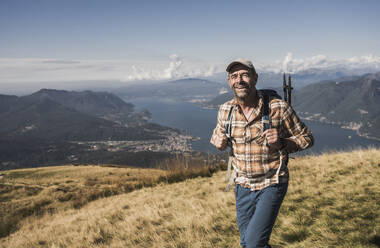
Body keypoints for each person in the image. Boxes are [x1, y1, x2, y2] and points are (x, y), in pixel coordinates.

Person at [210, 59, 314, 248]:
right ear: (229, 82)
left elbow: (307, 138)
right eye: (234, 76)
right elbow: (217, 137)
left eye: (244, 75)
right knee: (247, 243)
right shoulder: (225, 110)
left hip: (271, 182)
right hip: (242, 185)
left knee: (253, 243)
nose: (239, 80)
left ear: (255, 78)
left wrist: (282, 142)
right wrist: (218, 143)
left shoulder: (278, 108)